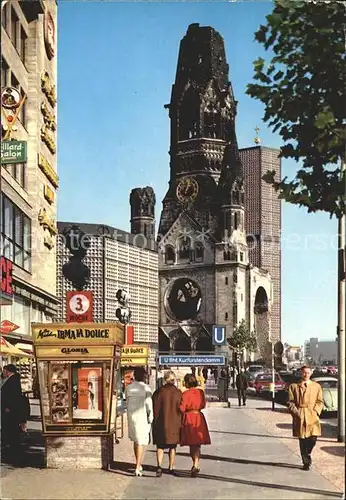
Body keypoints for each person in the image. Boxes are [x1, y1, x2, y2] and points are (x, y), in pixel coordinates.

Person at [288, 365, 324, 471]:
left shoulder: (316, 386)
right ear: (301, 373)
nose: (306, 374)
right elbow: (290, 402)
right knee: (302, 440)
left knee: (313, 438)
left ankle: (308, 453)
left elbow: (320, 401)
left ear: (311, 373)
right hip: (300, 415)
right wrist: (296, 412)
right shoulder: (294, 386)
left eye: (308, 372)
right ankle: (306, 462)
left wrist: (316, 411)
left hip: (312, 415)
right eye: (304, 372)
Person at [180, 373, 211, 477]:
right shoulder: (200, 392)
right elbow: (203, 404)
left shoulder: (185, 394)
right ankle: (196, 463)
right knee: (197, 442)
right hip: (198, 416)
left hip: (189, 417)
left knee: (192, 443)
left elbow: (182, 408)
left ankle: (195, 463)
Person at [152, 370, 182, 477]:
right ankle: (171, 467)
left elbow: (154, 407)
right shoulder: (178, 393)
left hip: (160, 422)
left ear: (165, 380)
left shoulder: (158, 392)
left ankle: (159, 466)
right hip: (174, 423)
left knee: (160, 446)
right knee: (172, 447)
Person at [126, 367, 153, 476]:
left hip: (132, 417)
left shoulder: (129, 388)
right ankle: (137, 466)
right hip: (142, 417)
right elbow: (149, 404)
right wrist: (150, 417)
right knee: (140, 441)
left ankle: (138, 462)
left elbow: (127, 402)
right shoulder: (146, 388)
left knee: (136, 441)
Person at [1, 364, 27, 464]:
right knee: (12, 432)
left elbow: (13, 397)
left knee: (11, 432)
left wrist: (8, 407)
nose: (3, 373)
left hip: (10, 411)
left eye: (4, 371)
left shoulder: (13, 381)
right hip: (11, 410)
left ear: (8, 371)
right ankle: (13, 451)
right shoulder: (13, 380)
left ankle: (14, 453)